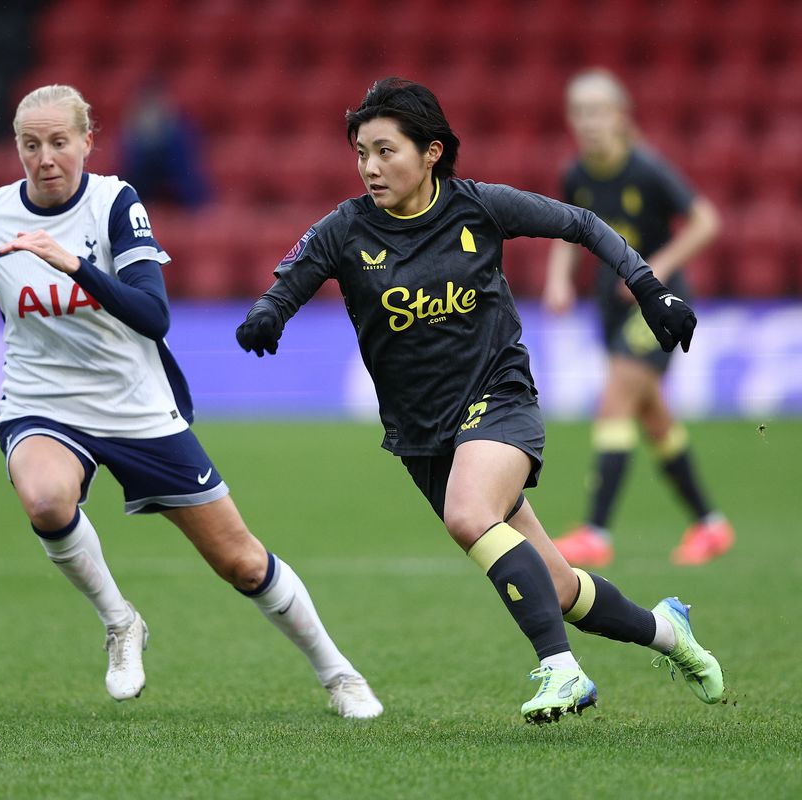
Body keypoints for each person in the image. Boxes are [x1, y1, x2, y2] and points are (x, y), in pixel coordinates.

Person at [0, 85, 382, 719]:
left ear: (86, 142)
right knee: (45, 499)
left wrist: (73, 264)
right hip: (42, 402)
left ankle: (338, 673)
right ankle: (120, 621)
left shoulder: (114, 203)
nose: (45, 158)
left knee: (239, 561)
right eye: (30, 144)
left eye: (59, 142)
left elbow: (153, 316)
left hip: (135, 406)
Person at [235, 77, 725, 724]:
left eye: (386, 151)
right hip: (422, 431)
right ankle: (669, 632)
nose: (371, 167)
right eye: (361, 153)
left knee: (469, 514)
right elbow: (287, 283)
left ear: (431, 152)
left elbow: (580, 223)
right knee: (560, 586)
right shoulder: (344, 230)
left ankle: (562, 669)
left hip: (499, 396)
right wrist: (267, 315)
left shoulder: (478, 207)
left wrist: (649, 286)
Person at [543, 68, 732, 568]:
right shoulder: (577, 174)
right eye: (579, 113)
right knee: (651, 416)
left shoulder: (647, 170)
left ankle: (596, 531)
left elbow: (707, 220)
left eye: (598, 112)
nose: (588, 123)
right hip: (610, 304)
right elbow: (568, 230)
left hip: (655, 303)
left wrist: (657, 270)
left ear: (621, 118)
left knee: (617, 396)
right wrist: (560, 278)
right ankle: (711, 525)